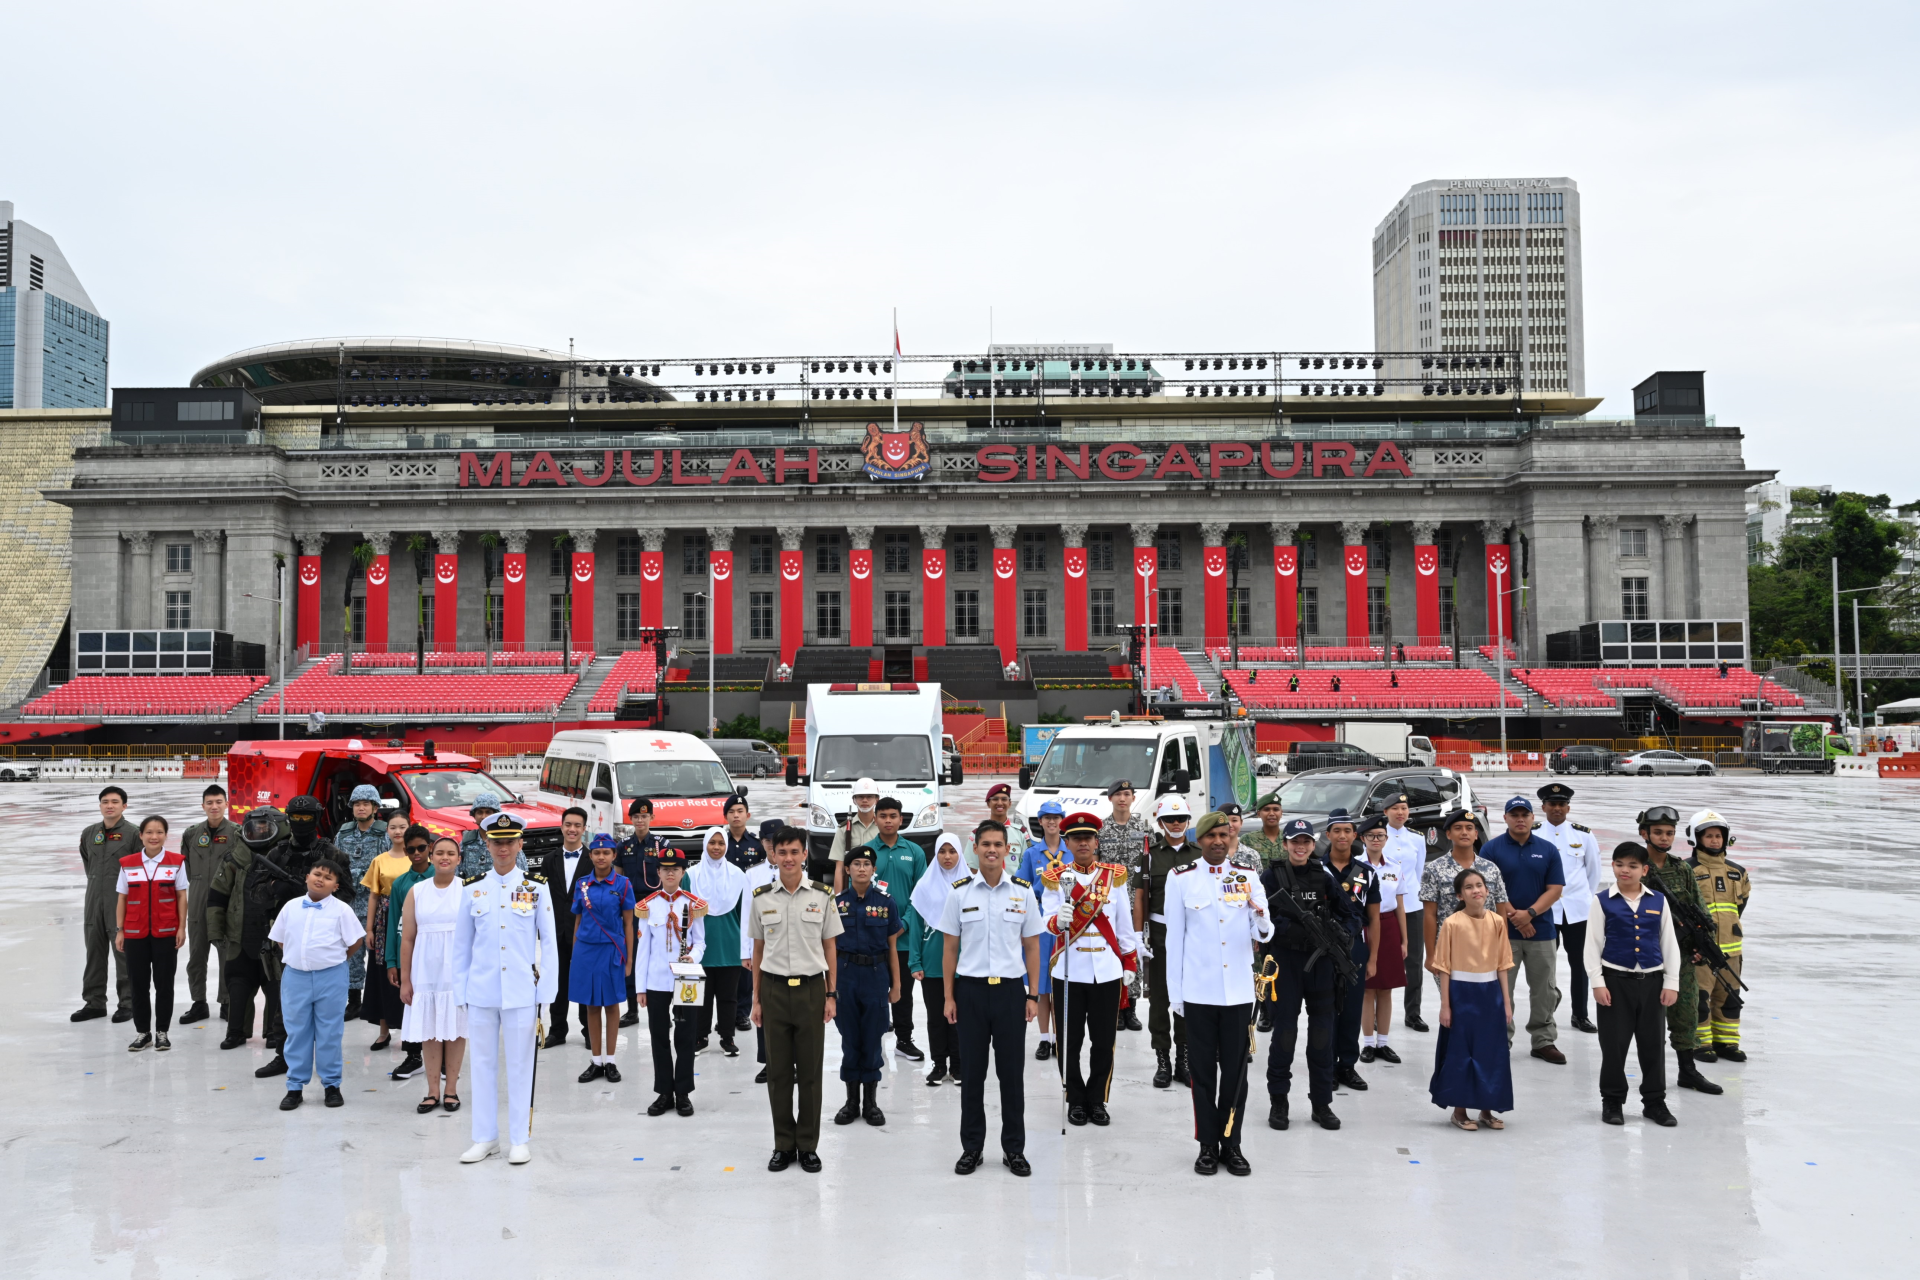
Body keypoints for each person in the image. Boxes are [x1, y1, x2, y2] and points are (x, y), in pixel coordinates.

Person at [1165, 810, 1272, 1176]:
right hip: (1198, 993)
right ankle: (1207, 1145)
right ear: (1199, 840)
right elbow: (1174, 941)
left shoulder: (1247, 877)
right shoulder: (1180, 879)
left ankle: (1232, 1142)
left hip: (1239, 994)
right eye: (1211, 836)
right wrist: (1175, 996)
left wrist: (1259, 916)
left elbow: (1264, 934)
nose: (1218, 842)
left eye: (1224, 836)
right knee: (1202, 1074)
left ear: (1231, 839)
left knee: (1236, 1074)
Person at [454, 811, 559, 1165]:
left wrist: (546, 992)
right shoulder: (472, 888)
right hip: (481, 990)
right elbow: (461, 947)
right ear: (487, 843)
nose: (503, 848)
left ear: (519, 844)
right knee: (481, 1065)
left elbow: (550, 943)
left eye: (509, 842)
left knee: (520, 1064)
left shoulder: (536, 887)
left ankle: (519, 1138)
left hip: (520, 992)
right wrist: (459, 992)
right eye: (496, 842)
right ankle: (485, 1138)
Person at [940, 819, 1044, 1177]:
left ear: (1006, 849)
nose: (991, 850)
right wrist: (948, 997)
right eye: (985, 844)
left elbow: (1032, 947)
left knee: (1011, 1076)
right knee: (971, 1075)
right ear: (976, 848)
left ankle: (1014, 1150)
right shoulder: (960, 893)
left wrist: (1033, 995)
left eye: (998, 844)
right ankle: (972, 1148)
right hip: (969, 992)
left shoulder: (1023, 892)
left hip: (1011, 994)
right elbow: (950, 948)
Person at [749, 826, 842, 1173]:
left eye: (794, 852)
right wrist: (756, 999)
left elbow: (830, 946)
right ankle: (783, 1144)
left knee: (810, 1073)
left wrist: (831, 993)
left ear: (805, 855)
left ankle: (807, 1145)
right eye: (782, 852)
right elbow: (757, 950)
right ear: (773, 856)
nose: (788, 858)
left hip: (811, 990)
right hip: (773, 990)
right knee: (778, 1074)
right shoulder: (761, 898)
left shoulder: (822, 895)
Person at [1042, 811, 1137, 1127]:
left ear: (1096, 841)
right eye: (1076, 838)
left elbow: (1124, 924)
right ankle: (1075, 1097)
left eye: (1088, 837)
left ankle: (1097, 1099)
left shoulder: (1114, 877)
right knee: (1069, 1040)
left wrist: (1130, 960)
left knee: (1103, 1040)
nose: (1083, 843)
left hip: (1107, 971)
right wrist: (1060, 920)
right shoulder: (1056, 879)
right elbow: (1047, 920)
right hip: (1069, 970)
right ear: (1067, 842)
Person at [245, 794, 350, 1079]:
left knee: (326, 1021)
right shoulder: (276, 854)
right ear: (288, 819)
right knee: (284, 1003)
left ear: (316, 819)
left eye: (307, 818)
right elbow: (253, 891)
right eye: (296, 818)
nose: (302, 823)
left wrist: (319, 893)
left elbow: (348, 893)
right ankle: (284, 1056)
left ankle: (327, 1071)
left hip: (323, 940)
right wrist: (276, 890)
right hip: (285, 938)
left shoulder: (332, 854)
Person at [1262, 817, 1355, 1131]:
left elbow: (1350, 915)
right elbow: (1262, 919)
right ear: (1286, 844)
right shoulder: (1271, 877)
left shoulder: (1323, 876)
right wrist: (1294, 931)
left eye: (1305, 841)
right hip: (1287, 963)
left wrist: (1340, 935)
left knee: (1321, 1036)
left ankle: (1321, 1103)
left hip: (1321, 965)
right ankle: (1279, 1101)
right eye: (1294, 841)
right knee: (1284, 1033)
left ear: (1313, 845)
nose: (1300, 847)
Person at [1587, 842, 1681, 1128]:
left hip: (1652, 983)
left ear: (1644, 870)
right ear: (1612, 866)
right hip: (1615, 982)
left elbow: (1669, 943)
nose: (1624, 870)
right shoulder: (1602, 901)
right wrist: (1597, 982)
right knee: (1614, 1045)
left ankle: (1655, 1102)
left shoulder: (1658, 901)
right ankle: (1612, 1100)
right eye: (1619, 864)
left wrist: (1672, 981)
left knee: (1653, 1045)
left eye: (1632, 866)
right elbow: (1592, 945)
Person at [269, 854, 365, 1111]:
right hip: (296, 977)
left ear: (336, 886)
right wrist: (299, 958)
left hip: (330, 977)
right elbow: (280, 939)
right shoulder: (290, 907)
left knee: (329, 1032)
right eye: (317, 874)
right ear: (307, 877)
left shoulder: (342, 910)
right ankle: (295, 1087)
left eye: (328, 877)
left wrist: (334, 961)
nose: (321, 879)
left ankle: (331, 1085)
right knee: (297, 1032)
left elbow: (355, 940)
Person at [1640, 806, 1724, 1097]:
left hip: (1681, 958)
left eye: (1670, 833)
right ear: (1644, 834)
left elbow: (1701, 910)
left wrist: (1701, 944)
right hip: (1646, 960)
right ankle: (1652, 1079)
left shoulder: (1682, 869)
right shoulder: (1635, 868)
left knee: (1686, 1014)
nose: (1665, 838)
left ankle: (1687, 1071)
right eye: (1659, 832)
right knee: (1650, 1021)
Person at [1478, 795, 1567, 1065]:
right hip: (1502, 933)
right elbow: (1484, 890)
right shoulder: (1491, 850)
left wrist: (1529, 914)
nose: (1520, 819)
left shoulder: (1548, 849)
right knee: (1501, 990)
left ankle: (1543, 1041)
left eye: (1524, 815)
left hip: (1541, 932)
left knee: (1544, 989)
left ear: (1532, 818)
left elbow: (1555, 889)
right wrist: (1515, 918)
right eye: (1514, 814)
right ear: (1504, 818)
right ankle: (1499, 1039)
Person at [1429, 867, 1515, 1131]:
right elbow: (1442, 966)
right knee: (1461, 1052)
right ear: (1459, 894)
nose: (1476, 890)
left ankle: (1486, 1110)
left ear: (1488, 890)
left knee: (1490, 1052)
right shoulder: (1452, 923)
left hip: (1490, 995)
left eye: (1479, 885)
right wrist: (1446, 1005)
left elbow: (1502, 964)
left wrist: (1507, 1002)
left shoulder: (1497, 922)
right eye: (1468, 887)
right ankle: (1459, 1110)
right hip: (1461, 994)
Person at [206, 806, 288, 1054]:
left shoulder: (286, 856)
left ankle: (274, 1031)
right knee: (237, 982)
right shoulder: (234, 857)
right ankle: (236, 1031)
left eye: (265, 828)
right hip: (238, 934)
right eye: (254, 828)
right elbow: (217, 895)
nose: (259, 833)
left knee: (275, 983)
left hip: (275, 937)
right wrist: (215, 931)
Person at [831, 844, 902, 1127]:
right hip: (845, 976)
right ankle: (851, 1102)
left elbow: (893, 947)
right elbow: (829, 950)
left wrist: (896, 985)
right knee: (850, 1039)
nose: (862, 868)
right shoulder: (835, 904)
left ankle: (871, 1102)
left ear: (874, 870)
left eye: (867, 864)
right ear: (847, 869)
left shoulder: (886, 903)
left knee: (873, 1039)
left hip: (875, 974)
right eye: (856, 864)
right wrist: (830, 988)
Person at [399, 834, 470, 1113]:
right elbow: (407, 938)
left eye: (451, 854)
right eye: (439, 852)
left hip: (457, 970)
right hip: (425, 968)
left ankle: (451, 1090)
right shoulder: (417, 891)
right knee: (429, 1030)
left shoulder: (468, 889)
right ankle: (432, 1092)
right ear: (431, 855)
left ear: (458, 859)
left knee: (455, 1031)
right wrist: (406, 979)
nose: (444, 857)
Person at [856, 796, 929, 1062]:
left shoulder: (915, 851)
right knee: (874, 990)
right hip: (873, 937)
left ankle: (904, 1039)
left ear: (901, 819)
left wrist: (903, 924)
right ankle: (872, 1038)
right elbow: (859, 892)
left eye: (893, 816)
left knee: (903, 991)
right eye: (883, 815)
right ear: (875, 818)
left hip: (904, 937)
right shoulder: (866, 852)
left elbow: (921, 895)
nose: (888, 820)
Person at [1135, 793, 1200, 1087]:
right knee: (1160, 1000)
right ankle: (1162, 1059)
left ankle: (1183, 1060)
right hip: (1160, 935)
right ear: (1160, 822)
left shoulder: (1198, 854)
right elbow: (1140, 898)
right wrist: (1138, 936)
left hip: (1193, 935)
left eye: (1181, 818)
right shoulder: (1149, 856)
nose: (1176, 824)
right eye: (1169, 819)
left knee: (1187, 998)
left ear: (1188, 821)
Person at [637, 849, 706, 1117]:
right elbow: (643, 949)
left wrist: (693, 956)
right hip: (656, 980)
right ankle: (664, 1091)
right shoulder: (648, 905)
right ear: (658, 873)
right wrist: (640, 988)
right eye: (664, 868)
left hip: (686, 977)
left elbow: (700, 941)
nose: (669, 873)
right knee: (658, 1036)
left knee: (686, 1036)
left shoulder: (693, 904)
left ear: (682, 872)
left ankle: (683, 1092)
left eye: (675, 868)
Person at [115, 815, 189, 1052]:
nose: (154, 836)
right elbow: (122, 898)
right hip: (135, 933)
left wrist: (181, 927)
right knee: (138, 985)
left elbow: (181, 897)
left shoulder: (176, 862)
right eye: (149, 832)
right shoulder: (128, 863)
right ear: (141, 835)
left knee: (164, 984)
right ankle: (143, 1033)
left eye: (159, 832)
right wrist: (120, 931)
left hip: (166, 932)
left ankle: (162, 1032)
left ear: (166, 835)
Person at [1535, 782, 1602, 1034]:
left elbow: (1593, 873)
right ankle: (1545, 1012)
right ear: (1543, 807)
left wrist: (1582, 898)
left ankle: (1580, 1015)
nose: (1557, 808)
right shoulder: (1534, 834)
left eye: (1561, 804)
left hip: (1577, 912)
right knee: (1544, 966)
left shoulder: (1583, 834)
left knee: (1580, 965)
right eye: (1552, 804)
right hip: (1545, 912)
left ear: (1568, 807)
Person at [570, 833, 636, 1084]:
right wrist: (575, 954)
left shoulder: (623, 884)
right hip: (586, 951)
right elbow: (578, 920)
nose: (601, 857)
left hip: (611, 950)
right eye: (596, 853)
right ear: (590, 856)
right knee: (590, 1005)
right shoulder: (582, 885)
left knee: (611, 1005)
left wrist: (628, 959)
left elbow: (628, 924)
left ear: (613, 855)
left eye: (606, 852)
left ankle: (611, 1061)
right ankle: (596, 1061)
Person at [1686, 809, 1750, 1063]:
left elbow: (1741, 905)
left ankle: (1727, 1043)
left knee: (1730, 998)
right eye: (1708, 836)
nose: (1714, 840)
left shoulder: (1738, 872)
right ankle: (1700, 1044)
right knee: (1700, 998)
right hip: (1700, 951)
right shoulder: (1687, 869)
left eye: (1718, 836)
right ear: (1696, 838)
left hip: (1731, 950)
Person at [1323, 810, 1380, 1091]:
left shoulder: (1366, 873)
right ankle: (1326, 1066)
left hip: (1355, 946)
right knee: (1325, 1008)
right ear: (1328, 835)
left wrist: (1373, 957)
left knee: (1351, 1008)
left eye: (1347, 831)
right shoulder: (1314, 867)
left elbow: (1374, 917)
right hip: (1321, 947)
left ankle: (1347, 1065)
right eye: (1337, 831)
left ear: (1354, 835)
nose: (1342, 836)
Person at [910, 833, 971, 1086]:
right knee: (936, 1017)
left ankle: (957, 1066)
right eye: (942, 851)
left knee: (961, 1017)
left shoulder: (971, 885)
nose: (947, 857)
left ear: (960, 854)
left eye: (952, 851)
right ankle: (938, 1065)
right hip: (933, 963)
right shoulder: (925, 885)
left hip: (965, 964)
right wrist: (915, 961)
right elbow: (915, 924)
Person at [74, 785, 137, 1023]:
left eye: (114, 802)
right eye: (105, 802)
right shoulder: (90, 833)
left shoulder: (134, 834)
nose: (109, 806)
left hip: (121, 902)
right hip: (93, 900)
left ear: (124, 806)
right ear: (100, 805)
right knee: (94, 952)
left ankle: (128, 1003)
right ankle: (94, 1002)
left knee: (123, 953)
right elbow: (88, 863)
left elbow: (140, 870)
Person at [179, 784, 238, 1026]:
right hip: (197, 902)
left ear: (226, 804)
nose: (214, 806)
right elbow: (186, 869)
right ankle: (198, 1003)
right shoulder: (191, 834)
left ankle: (226, 1002)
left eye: (218, 802)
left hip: (225, 903)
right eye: (209, 802)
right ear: (203, 805)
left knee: (226, 954)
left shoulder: (237, 832)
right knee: (196, 955)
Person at [1015, 799, 1069, 1059]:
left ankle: (1061, 1037)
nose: (1051, 822)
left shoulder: (1071, 852)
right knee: (1042, 984)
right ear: (1040, 821)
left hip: (1068, 925)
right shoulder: (1031, 853)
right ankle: (1045, 1038)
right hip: (1039, 923)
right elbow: (1021, 886)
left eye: (1056, 817)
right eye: (1046, 817)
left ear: (1062, 821)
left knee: (1061, 982)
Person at [534, 807, 591, 1049]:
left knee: (584, 980)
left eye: (577, 825)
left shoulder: (593, 859)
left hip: (584, 932)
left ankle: (589, 1030)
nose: (572, 829)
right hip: (555, 929)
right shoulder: (549, 860)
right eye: (568, 824)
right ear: (562, 826)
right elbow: (542, 897)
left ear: (584, 829)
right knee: (557, 981)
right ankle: (558, 1030)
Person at [359, 813, 415, 1058]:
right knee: (383, 973)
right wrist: (369, 929)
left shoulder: (417, 859)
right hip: (383, 922)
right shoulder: (379, 860)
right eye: (393, 827)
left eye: (402, 827)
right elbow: (373, 896)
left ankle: (410, 1032)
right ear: (387, 831)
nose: (398, 831)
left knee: (409, 971)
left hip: (411, 919)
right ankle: (383, 1031)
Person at [334, 784, 390, 1021]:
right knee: (352, 954)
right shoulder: (343, 833)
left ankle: (381, 1001)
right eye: (357, 804)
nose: (361, 807)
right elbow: (335, 864)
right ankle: (354, 1001)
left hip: (376, 905)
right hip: (349, 903)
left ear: (375, 808)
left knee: (380, 955)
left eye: (366, 804)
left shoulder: (385, 833)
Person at [689, 825, 747, 1057]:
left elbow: (744, 914)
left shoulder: (738, 876)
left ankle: (727, 1037)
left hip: (730, 945)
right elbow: (685, 912)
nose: (716, 847)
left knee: (728, 997)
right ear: (705, 844)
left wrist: (746, 948)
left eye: (721, 843)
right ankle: (700, 1037)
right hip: (700, 946)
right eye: (712, 843)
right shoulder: (691, 875)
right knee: (701, 996)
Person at [1100, 779, 1152, 1033]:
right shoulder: (1101, 830)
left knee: (1134, 951)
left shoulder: (1144, 829)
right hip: (1109, 902)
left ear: (1133, 798)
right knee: (1113, 952)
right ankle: (1115, 1009)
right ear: (1110, 798)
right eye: (1117, 794)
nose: (1122, 798)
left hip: (1137, 902)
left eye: (1127, 794)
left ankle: (1130, 1008)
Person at [1420, 811, 1510, 954]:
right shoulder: (1434, 869)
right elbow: (1430, 914)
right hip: (1450, 946)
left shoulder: (1491, 869)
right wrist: (1431, 955)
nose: (1464, 832)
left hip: (1486, 946)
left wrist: (1503, 949)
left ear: (1475, 834)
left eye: (1469, 828)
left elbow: (1501, 912)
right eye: (1458, 828)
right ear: (1448, 834)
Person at [1358, 814, 1408, 1065]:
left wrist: (1404, 940)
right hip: (1362, 925)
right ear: (1363, 839)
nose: (1376, 840)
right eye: (1371, 836)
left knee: (1386, 989)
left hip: (1388, 927)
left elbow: (1400, 905)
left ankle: (1384, 1043)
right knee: (1367, 989)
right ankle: (1367, 1043)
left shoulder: (1394, 867)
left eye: (1380, 836)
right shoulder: (1356, 866)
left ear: (1386, 839)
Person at [1379, 794, 1431, 1034]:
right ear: (1386, 812)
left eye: (1404, 808)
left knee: (1414, 962)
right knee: (1381, 960)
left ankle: (1413, 1012)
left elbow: (1418, 872)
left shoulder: (1417, 839)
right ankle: (1378, 1014)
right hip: (1386, 906)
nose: (1401, 812)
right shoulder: (1379, 837)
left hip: (1412, 905)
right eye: (1395, 808)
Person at [616, 797, 666, 1028]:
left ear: (651, 818)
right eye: (636, 817)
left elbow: (670, 873)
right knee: (632, 955)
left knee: (660, 954)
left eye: (644, 816)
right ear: (631, 819)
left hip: (655, 905)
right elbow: (617, 876)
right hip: (631, 908)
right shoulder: (623, 845)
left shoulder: (661, 844)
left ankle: (664, 1010)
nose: (640, 820)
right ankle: (632, 1010)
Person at [742, 818, 783, 1083]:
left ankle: (789, 1062)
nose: (772, 846)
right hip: (762, 949)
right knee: (762, 1004)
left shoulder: (797, 870)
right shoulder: (752, 874)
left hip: (788, 948)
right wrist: (745, 952)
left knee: (788, 1008)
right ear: (762, 842)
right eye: (768, 841)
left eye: (776, 841)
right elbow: (747, 913)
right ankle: (768, 1061)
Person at [827, 779, 882, 890]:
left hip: (878, 885)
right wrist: (838, 899)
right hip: (852, 888)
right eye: (860, 797)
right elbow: (839, 868)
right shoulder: (844, 829)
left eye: (869, 796)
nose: (865, 800)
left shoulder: (882, 828)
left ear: (877, 799)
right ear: (854, 800)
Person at [981, 783, 1029, 867]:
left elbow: (1026, 865)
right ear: (988, 803)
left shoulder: (1021, 834)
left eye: (1004, 799)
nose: (1000, 803)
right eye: (995, 799)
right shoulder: (978, 834)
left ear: (1010, 803)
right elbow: (972, 868)